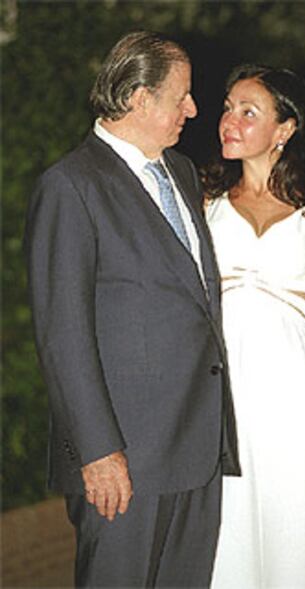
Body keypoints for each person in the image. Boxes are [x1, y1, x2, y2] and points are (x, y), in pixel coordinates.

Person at [25, 31, 241, 588]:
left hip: (196, 453)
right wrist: (98, 452)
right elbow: (61, 332)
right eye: (182, 97)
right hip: (124, 463)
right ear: (141, 99)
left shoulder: (183, 174)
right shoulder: (71, 186)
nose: (193, 111)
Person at [202, 65, 305, 588]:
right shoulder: (203, 204)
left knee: (299, 548)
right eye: (228, 107)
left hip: (297, 407)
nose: (229, 120)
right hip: (220, 405)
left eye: (248, 112)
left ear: (285, 129)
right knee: (227, 548)